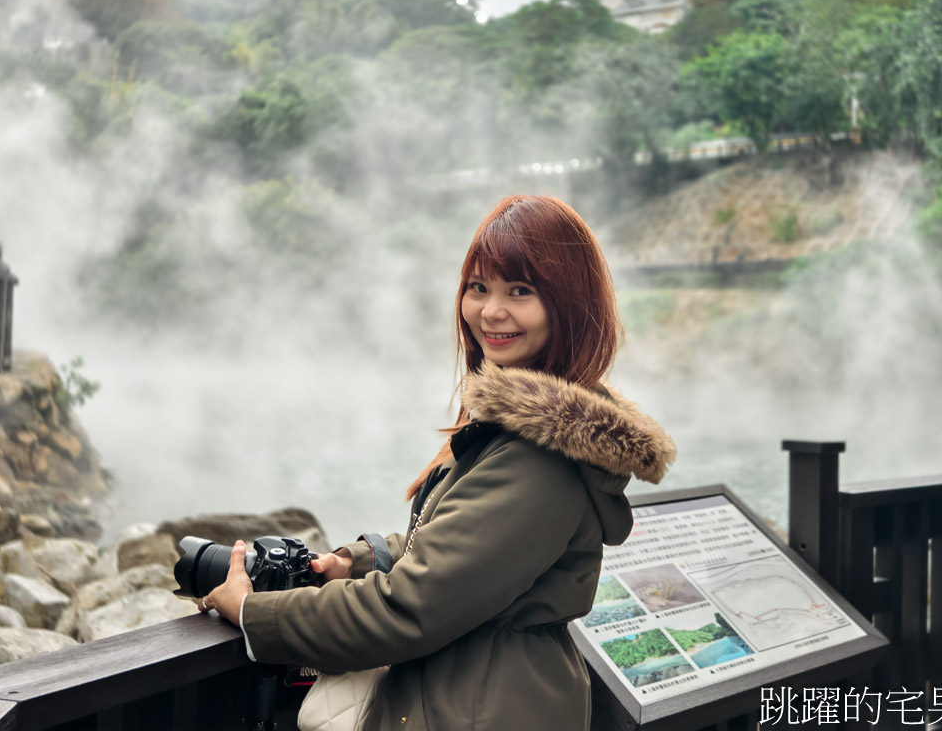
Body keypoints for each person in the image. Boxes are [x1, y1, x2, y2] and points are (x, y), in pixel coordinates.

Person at [201, 195, 676, 730]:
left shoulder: (540, 456)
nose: (491, 311)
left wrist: (249, 611)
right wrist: (363, 560)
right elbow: (469, 546)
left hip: (480, 710)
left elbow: (410, 608)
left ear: (568, 302)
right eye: (479, 287)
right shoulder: (524, 433)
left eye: (520, 291)